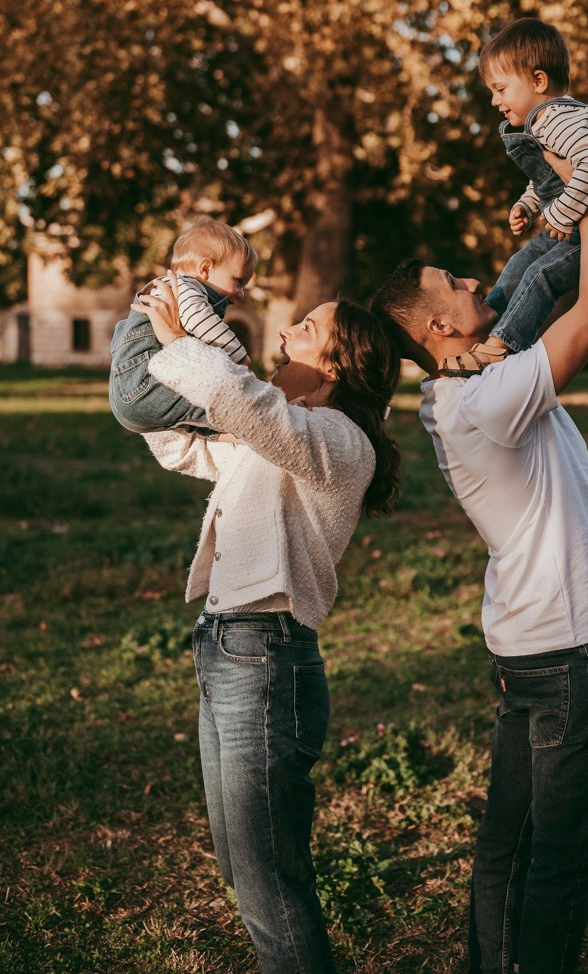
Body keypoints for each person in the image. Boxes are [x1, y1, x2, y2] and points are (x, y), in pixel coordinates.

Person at [371, 180, 588, 974]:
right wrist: (586, 193)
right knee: (564, 854)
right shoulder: (486, 399)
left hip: (529, 649)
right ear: (440, 325)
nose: (476, 281)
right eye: (456, 283)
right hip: (571, 651)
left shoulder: (455, 395)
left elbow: (531, 294)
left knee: (507, 844)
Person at [135, 273, 401, 974]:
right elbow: (180, 444)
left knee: (269, 881)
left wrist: (181, 343)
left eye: (306, 329)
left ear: (337, 365)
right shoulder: (281, 437)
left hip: (266, 658)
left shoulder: (342, 444)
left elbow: (244, 404)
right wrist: (144, 341)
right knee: (239, 857)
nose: (284, 334)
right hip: (225, 649)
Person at [440, 17, 588, 376]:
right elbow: (549, 176)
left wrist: (561, 213)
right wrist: (529, 204)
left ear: (538, 81)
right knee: (520, 263)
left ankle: (500, 347)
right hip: (576, 223)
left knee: (541, 274)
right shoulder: (545, 120)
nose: (493, 100)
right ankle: (492, 328)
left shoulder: (559, 119)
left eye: (500, 89)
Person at [109, 217, 257, 435]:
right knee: (234, 408)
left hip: (133, 392)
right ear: (206, 268)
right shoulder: (184, 287)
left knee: (225, 413)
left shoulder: (184, 290)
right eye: (239, 281)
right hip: (142, 387)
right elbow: (201, 321)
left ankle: (247, 432)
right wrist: (239, 357)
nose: (241, 293)